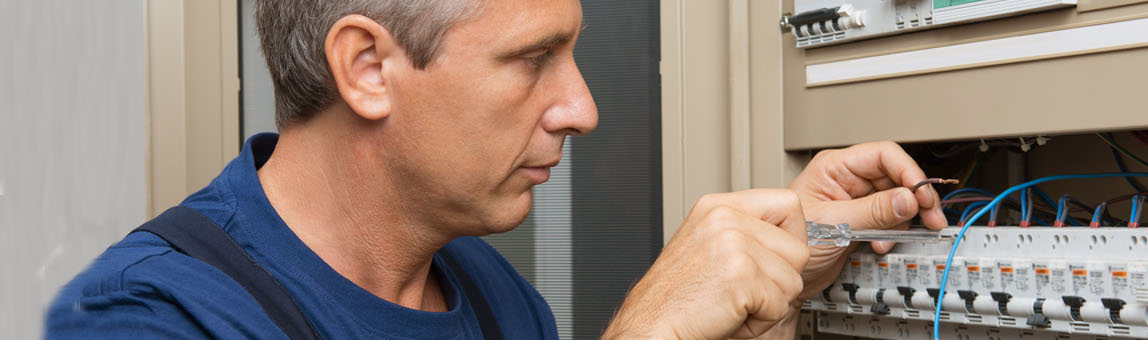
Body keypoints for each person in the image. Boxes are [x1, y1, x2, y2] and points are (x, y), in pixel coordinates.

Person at [45, 0, 947, 338]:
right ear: (367, 67)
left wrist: (786, 253)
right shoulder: (151, 318)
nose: (583, 108)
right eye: (532, 58)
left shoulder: (495, 299)